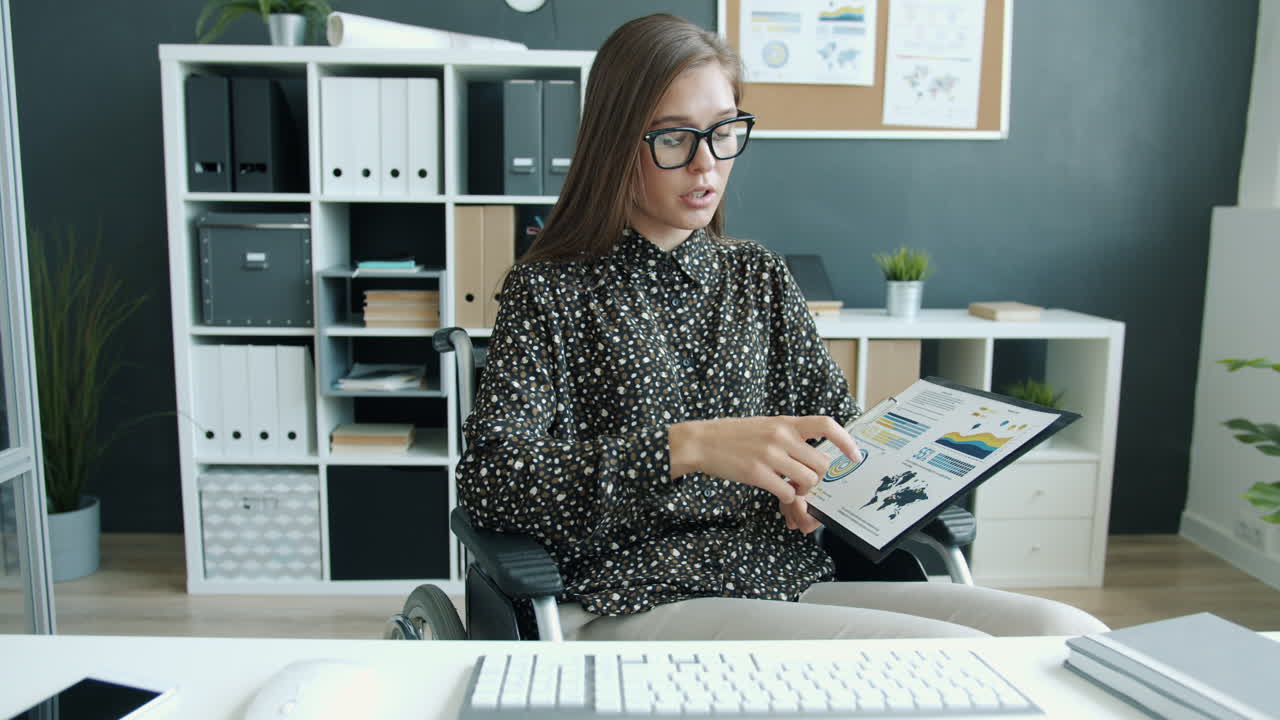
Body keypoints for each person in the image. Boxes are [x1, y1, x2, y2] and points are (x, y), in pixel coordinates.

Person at [456, 13, 1106, 640]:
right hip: (633, 590)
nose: (706, 164)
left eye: (724, 130)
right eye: (674, 137)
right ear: (615, 140)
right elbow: (494, 483)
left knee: (1069, 631)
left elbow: (837, 432)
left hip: (782, 572)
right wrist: (688, 446)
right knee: (951, 658)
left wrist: (846, 484)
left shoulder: (757, 275)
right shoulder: (550, 290)